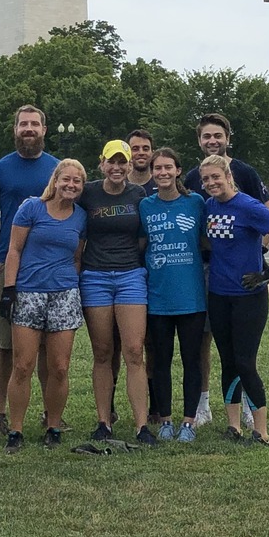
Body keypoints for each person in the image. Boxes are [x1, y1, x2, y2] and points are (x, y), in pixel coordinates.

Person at [182, 113, 269, 426]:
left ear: (227, 138)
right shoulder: (195, 176)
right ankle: (206, 404)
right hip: (210, 273)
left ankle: (250, 408)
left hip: (245, 278)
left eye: (218, 135)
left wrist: (256, 254)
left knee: (244, 348)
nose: (213, 140)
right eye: (206, 136)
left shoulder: (245, 172)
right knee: (207, 341)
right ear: (199, 140)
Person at [0, 107, 59, 437]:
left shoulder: (56, 169)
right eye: (23, 124)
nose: (29, 129)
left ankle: (50, 411)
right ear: (15, 130)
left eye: (34, 124)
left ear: (44, 130)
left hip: (49, 268)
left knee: (47, 347)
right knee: (7, 346)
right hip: (7, 266)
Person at [199, 153, 269, 445]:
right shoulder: (209, 207)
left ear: (229, 176)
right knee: (227, 361)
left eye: (216, 176)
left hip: (248, 297)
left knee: (245, 361)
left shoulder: (249, 206)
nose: (212, 182)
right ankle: (233, 425)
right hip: (218, 293)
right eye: (206, 179)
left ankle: (261, 430)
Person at [0, 157, 88, 454]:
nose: (71, 185)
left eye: (77, 181)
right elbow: (14, 249)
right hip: (28, 293)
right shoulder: (31, 208)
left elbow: (77, 257)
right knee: (23, 365)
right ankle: (16, 429)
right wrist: (9, 290)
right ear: (56, 180)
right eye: (67, 179)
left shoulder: (80, 217)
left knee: (59, 367)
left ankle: (53, 425)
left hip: (64, 294)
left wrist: (71, 286)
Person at [78, 139, 154, 449]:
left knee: (135, 351)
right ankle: (103, 421)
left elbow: (143, 239)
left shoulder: (138, 194)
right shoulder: (88, 193)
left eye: (122, 162)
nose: (118, 167)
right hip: (95, 277)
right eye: (112, 161)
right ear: (102, 163)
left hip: (130, 276)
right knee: (103, 352)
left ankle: (142, 425)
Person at [139, 147, 207, 441]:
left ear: (179, 170)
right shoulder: (146, 206)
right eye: (158, 168)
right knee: (161, 360)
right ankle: (165, 419)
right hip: (158, 296)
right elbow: (142, 245)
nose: (163, 173)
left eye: (169, 167)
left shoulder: (196, 203)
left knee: (192, 360)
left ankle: (189, 422)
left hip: (191, 295)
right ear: (152, 173)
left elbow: (208, 240)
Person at [126, 130, 157, 194]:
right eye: (135, 149)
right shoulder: (119, 185)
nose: (141, 153)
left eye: (145, 149)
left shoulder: (161, 185)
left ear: (152, 153)